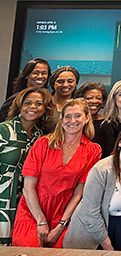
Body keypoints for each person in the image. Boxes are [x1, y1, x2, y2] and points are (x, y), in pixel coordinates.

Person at [12, 98, 101, 247]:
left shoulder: (93, 150)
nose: (72, 120)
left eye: (78, 116)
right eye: (67, 116)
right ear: (61, 119)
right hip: (33, 209)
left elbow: (79, 193)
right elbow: (28, 187)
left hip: (64, 213)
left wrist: (61, 225)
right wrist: (40, 220)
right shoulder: (43, 143)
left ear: (87, 118)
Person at [63, 121, 121, 250]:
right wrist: (108, 247)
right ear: (120, 142)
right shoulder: (101, 170)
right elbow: (91, 213)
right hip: (94, 230)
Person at [0, 87, 53, 245]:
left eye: (38, 104)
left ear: (45, 109)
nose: (33, 107)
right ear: (20, 106)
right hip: (2, 196)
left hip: (25, 200)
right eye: (28, 103)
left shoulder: (40, 137)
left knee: (15, 244)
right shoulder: (4, 130)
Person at [48, 66, 80, 131]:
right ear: (53, 84)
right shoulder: (46, 103)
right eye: (60, 82)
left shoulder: (81, 106)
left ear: (76, 83)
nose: (65, 85)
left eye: (70, 81)